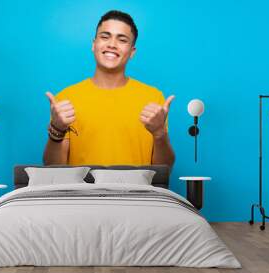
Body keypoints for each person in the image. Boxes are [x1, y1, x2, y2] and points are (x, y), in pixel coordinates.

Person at [43, 10, 175, 167]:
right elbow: (53, 168)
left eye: (122, 40)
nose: (112, 44)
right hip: (82, 192)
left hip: (137, 192)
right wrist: (56, 131)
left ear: (132, 52)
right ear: (94, 44)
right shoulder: (66, 99)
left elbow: (164, 169)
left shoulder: (153, 98)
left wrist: (160, 134)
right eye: (105, 37)